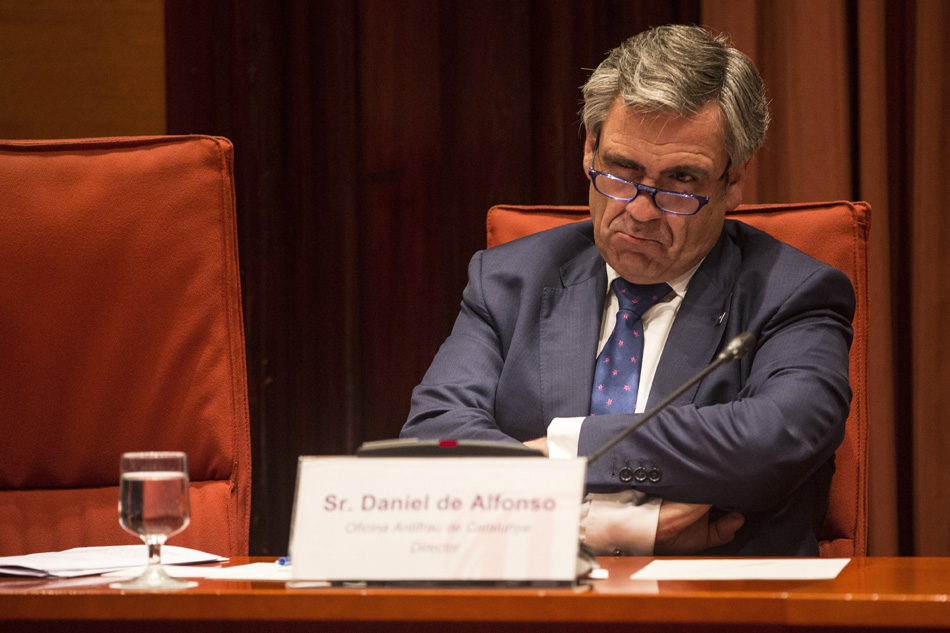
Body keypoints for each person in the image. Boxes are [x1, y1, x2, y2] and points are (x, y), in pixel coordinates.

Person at [401, 24, 854, 556]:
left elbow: (777, 435)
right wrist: (607, 527)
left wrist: (571, 449)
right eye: (622, 170)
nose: (639, 211)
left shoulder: (795, 293)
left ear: (732, 183)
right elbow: (435, 439)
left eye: (681, 181)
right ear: (590, 151)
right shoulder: (510, 281)